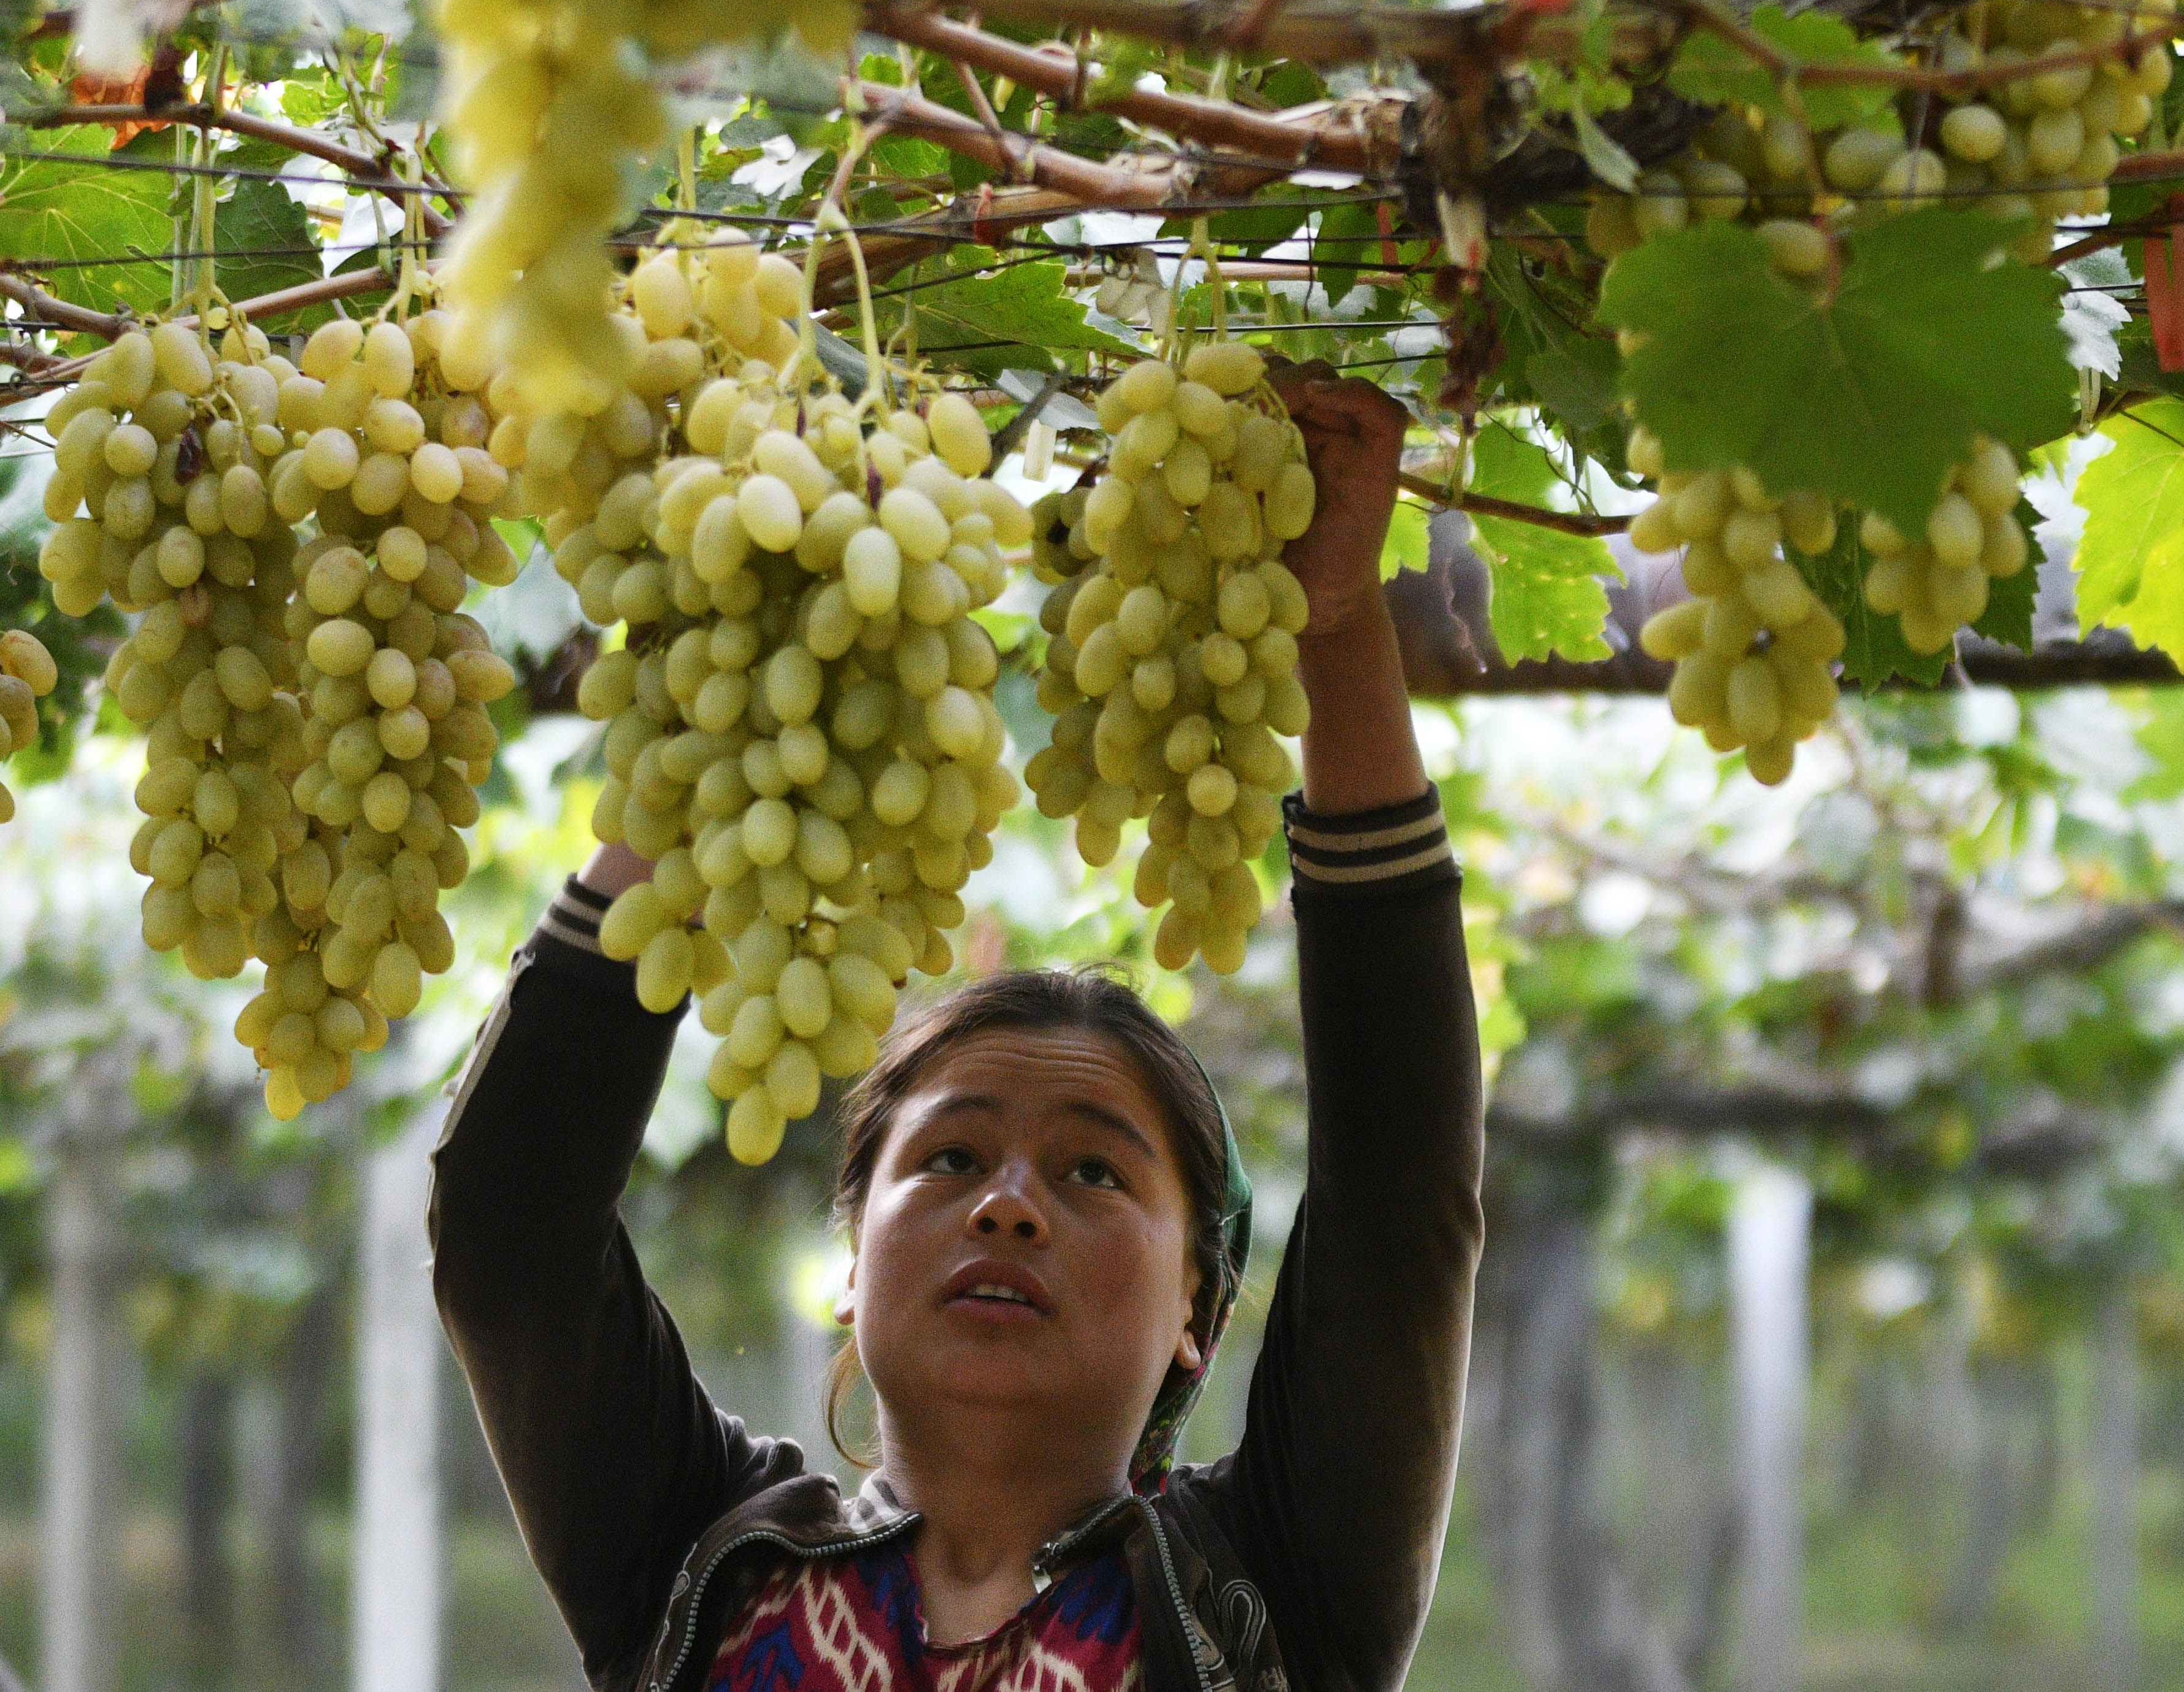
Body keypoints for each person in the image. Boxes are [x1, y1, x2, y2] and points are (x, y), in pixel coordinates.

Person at [429, 367, 1485, 1692]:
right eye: (947, 1159)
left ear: (1195, 1320)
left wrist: (1334, 624)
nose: (1009, 1206)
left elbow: (1401, 1211)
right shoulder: (700, 1551)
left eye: (1095, 1169)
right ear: (854, 1266)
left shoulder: (1274, 1586)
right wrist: (709, 736)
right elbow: (505, 1229)